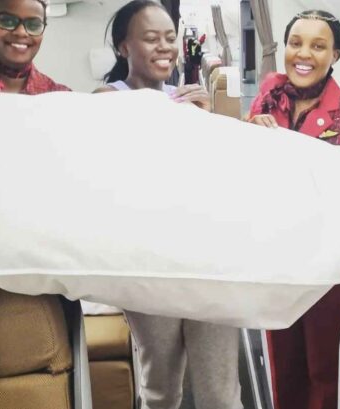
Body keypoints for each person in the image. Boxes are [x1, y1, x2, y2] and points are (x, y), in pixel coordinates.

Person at [94, 2, 240, 409]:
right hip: (147, 263)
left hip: (205, 260)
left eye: (170, 38)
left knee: (220, 393)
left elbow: (217, 181)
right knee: (160, 387)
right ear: (123, 47)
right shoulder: (106, 100)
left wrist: (206, 122)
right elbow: (108, 179)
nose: (164, 47)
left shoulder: (188, 100)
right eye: (151, 38)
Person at [248, 10, 340, 409]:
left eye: (318, 46)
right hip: (279, 262)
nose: (303, 54)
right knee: (284, 370)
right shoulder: (269, 99)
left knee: (327, 375)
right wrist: (248, 134)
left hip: (331, 267)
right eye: (295, 43)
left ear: (335, 54)